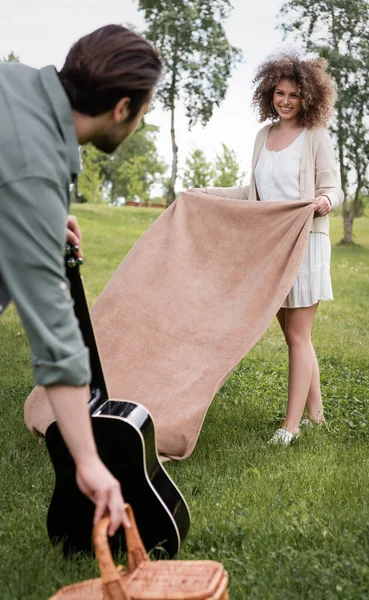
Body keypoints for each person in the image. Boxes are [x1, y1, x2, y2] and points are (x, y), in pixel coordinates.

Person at [0, 24, 162, 531]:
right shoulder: (31, 167)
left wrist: (38, 216)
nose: (143, 118)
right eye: (145, 108)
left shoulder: (14, 83)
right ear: (121, 109)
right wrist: (89, 462)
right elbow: (53, 326)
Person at [202, 54, 343, 444]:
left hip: (306, 241)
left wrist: (325, 202)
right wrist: (205, 193)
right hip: (273, 245)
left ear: (308, 97)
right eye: (279, 93)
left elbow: (334, 187)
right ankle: (316, 416)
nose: (285, 100)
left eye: (294, 95)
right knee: (294, 335)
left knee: (298, 334)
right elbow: (252, 194)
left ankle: (291, 427)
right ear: (269, 94)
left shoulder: (316, 135)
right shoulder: (263, 136)